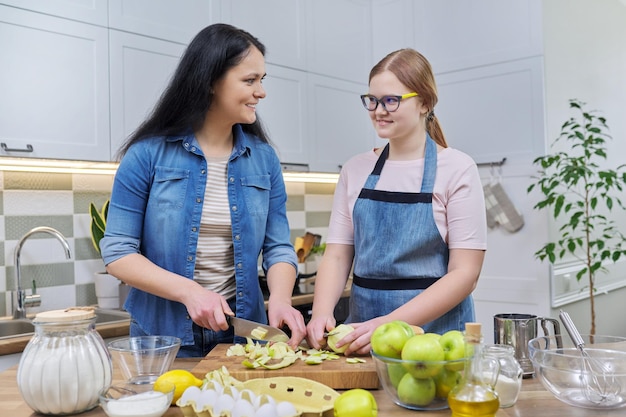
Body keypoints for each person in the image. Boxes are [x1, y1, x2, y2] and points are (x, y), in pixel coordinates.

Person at [100, 23, 306, 357]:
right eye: (250, 80)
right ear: (211, 81)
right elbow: (118, 252)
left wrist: (281, 301)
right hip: (163, 338)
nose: (261, 92)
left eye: (261, 80)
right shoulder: (147, 155)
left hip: (243, 336)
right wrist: (189, 292)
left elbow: (279, 247)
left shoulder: (264, 159)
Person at [306, 48, 487, 356]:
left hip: (435, 338)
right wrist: (321, 312)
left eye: (391, 100)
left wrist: (390, 323)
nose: (378, 110)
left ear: (425, 103)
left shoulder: (458, 168)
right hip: (362, 335)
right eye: (372, 100)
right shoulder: (355, 169)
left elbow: (465, 274)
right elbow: (337, 256)